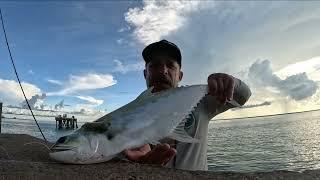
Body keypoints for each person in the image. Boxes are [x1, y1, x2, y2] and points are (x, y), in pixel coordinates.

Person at [123, 39, 251, 171]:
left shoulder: (201, 101)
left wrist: (231, 82)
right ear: (145, 74)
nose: (163, 71)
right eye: (155, 65)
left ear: (180, 76)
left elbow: (243, 96)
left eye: (171, 66)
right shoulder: (129, 115)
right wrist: (137, 164)